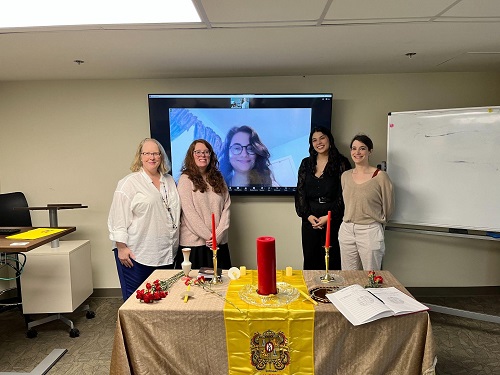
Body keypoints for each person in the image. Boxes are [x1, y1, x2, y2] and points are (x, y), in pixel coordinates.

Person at [108, 138, 181, 301]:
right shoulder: (129, 183)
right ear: (140, 157)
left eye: (155, 153)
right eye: (147, 153)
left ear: (161, 157)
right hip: (136, 254)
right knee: (137, 301)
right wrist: (121, 247)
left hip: (166, 253)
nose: (152, 157)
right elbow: (117, 218)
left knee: (162, 300)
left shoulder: (169, 181)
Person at [295, 126, 351, 270]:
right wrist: (307, 215)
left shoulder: (341, 163)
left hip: (333, 217)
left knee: (332, 260)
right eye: (314, 140)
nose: (318, 142)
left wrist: (329, 217)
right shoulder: (306, 163)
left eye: (322, 138)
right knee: (310, 258)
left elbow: (344, 194)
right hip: (310, 218)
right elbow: (300, 192)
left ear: (329, 140)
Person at [339, 134, 394, 271]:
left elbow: (389, 206)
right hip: (347, 229)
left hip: (369, 230)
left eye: (362, 148)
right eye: (354, 148)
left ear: (370, 151)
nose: (357, 152)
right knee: (349, 277)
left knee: (371, 277)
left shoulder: (380, 177)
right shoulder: (345, 176)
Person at [175, 139, 232, 269]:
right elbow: (189, 213)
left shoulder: (218, 177)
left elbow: (226, 207)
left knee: (221, 286)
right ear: (191, 155)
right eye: (198, 152)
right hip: (195, 246)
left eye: (206, 152)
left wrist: (218, 236)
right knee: (196, 288)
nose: (203, 155)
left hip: (219, 243)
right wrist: (209, 237)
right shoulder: (185, 179)